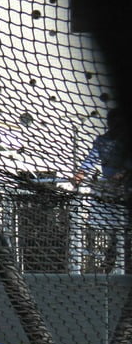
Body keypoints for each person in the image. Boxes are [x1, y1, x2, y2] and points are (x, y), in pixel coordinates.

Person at [71, 108, 131, 273]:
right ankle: (109, 259)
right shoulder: (103, 141)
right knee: (111, 228)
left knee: (124, 228)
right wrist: (80, 174)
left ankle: (123, 260)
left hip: (126, 186)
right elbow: (91, 159)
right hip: (110, 189)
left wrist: (122, 174)